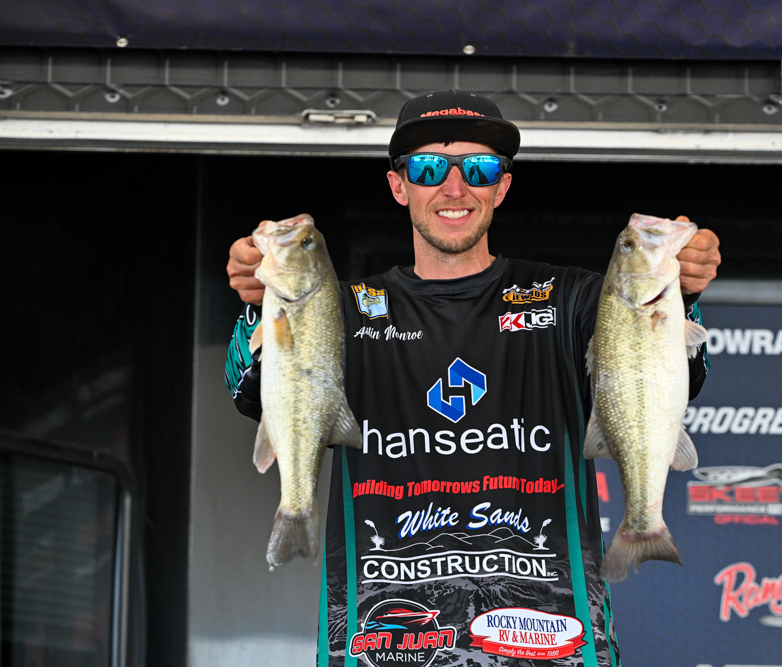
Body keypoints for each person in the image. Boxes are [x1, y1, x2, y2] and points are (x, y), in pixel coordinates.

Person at [225, 90, 721, 667]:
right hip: (383, 646)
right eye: (428, 168)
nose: (454, 188)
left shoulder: (573, 299)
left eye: (479, 168)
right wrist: (256, 306)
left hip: (553, 645)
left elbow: (679, 374)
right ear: (399, 186)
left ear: (501, 187)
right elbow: (247, 390)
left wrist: (685, 290)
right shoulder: (341, 311)